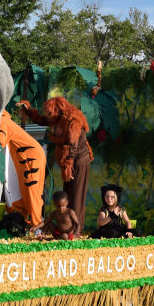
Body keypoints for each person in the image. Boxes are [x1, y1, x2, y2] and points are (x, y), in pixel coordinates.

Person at [17, 98, 92, 236]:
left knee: (76, 197)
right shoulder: (57, 119)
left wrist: (69, 165)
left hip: (78, 161)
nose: (50, 116)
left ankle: (76, 232)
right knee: (66, 197)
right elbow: (42, 120)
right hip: (68, 163)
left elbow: (72, 145)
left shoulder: (73, 121)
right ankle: (65, 229)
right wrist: (28, 109)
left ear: (60, 111)